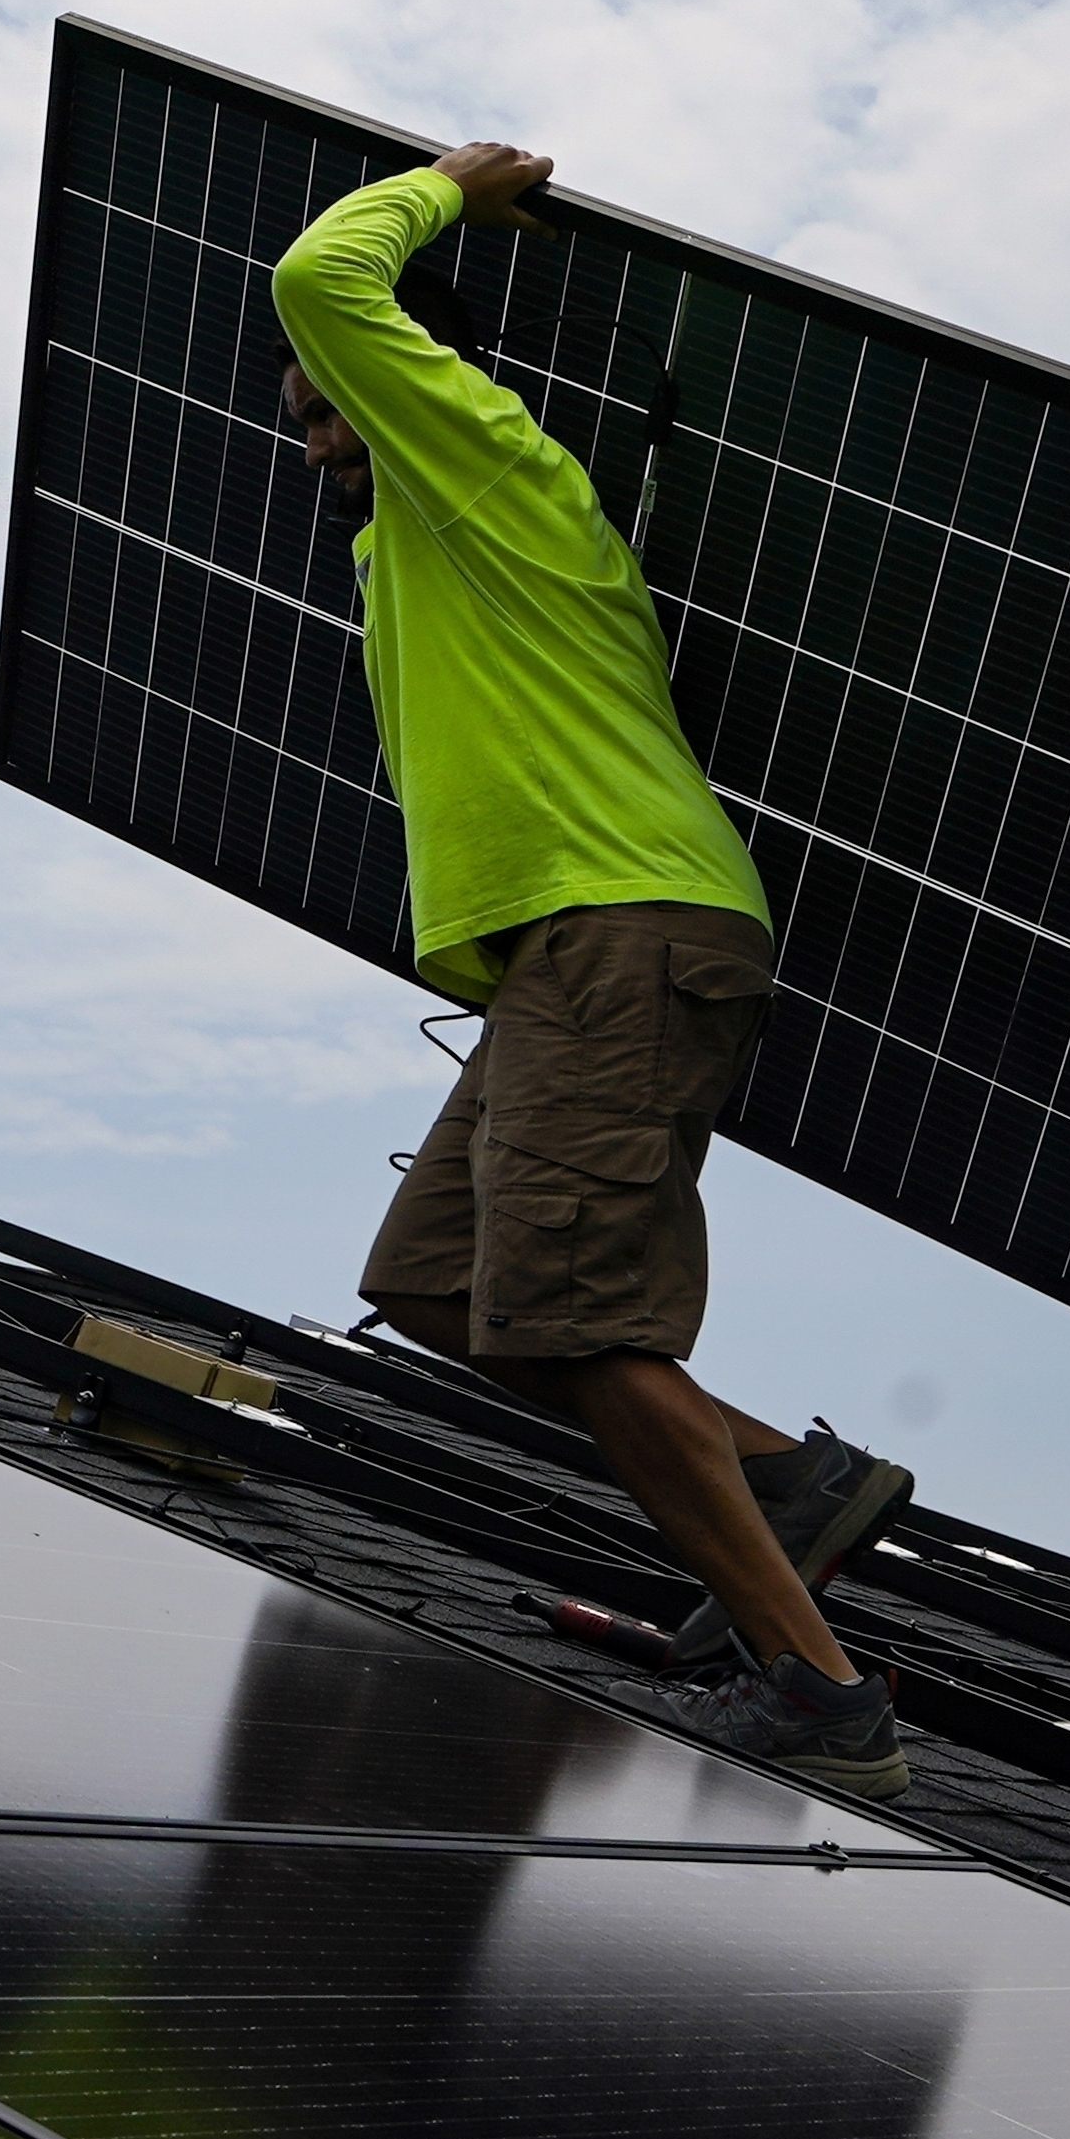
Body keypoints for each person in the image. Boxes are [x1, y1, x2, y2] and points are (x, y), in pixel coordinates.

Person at [275, 138, 918, 1796]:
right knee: (433, 1280)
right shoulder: (410, 549)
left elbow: (318, 284)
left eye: (326, 405)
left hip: (622, 930)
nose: (311, 431)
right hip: (564, 957)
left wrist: (438, 189)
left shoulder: (488, 472)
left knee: (574, 1308)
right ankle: (786, 1483)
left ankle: (816, 1689)